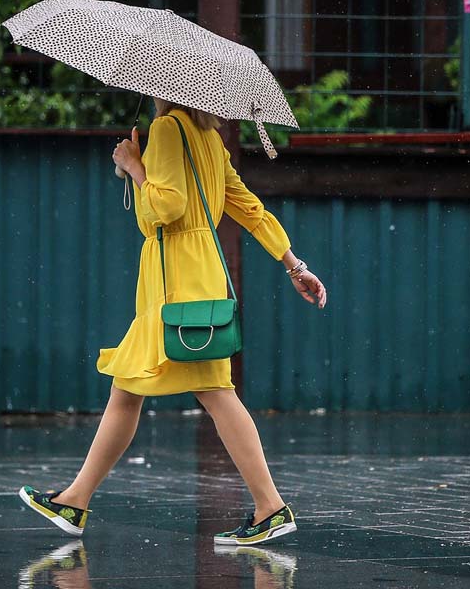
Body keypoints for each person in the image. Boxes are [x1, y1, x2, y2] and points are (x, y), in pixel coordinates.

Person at [19, 99, 327, 545]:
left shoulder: (166, 130)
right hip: (196, 276)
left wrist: (134, 165)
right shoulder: (210, 137)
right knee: (132, 386)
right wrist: (294, 265)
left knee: (210, 391)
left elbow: (164, 209)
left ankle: (271, 507)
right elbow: (249, 208)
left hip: (174, 280)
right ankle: (75, 500)